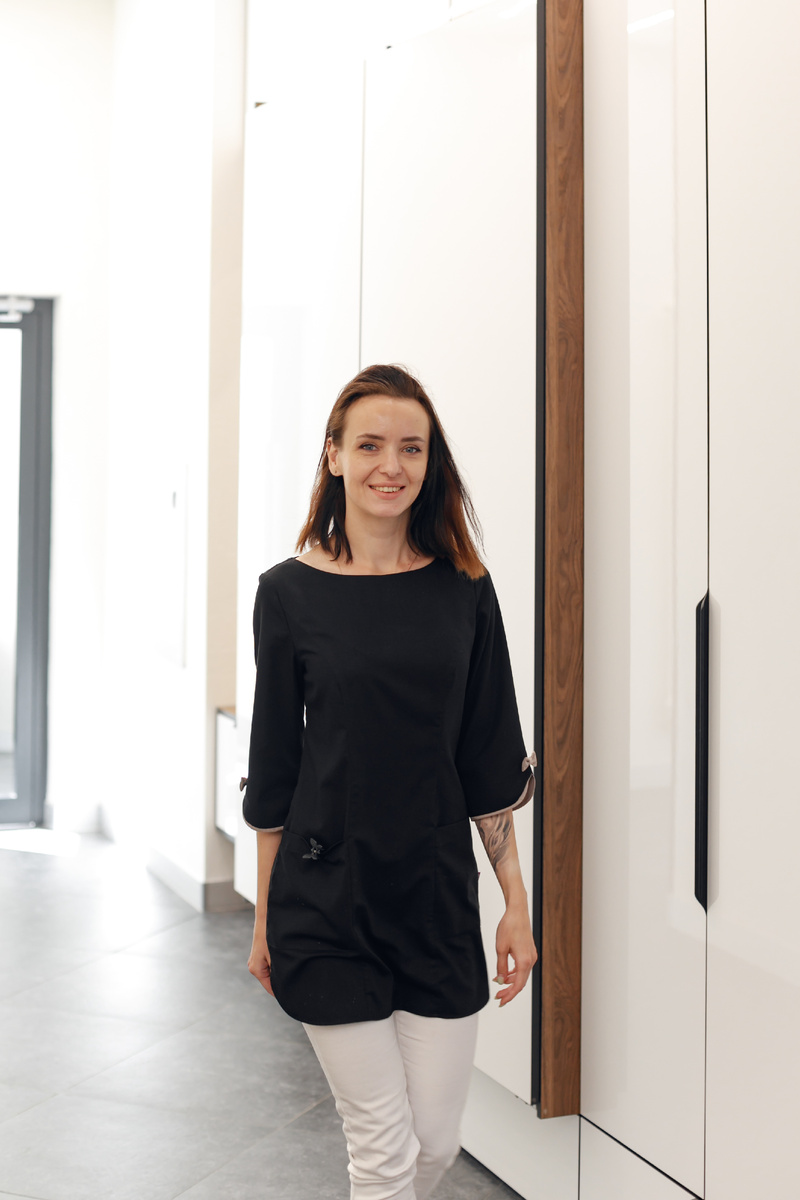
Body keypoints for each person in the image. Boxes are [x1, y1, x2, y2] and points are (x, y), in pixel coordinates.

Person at [243, 363, 538, 1200]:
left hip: (434, 894)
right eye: (370, 444)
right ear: (334, 455)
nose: (391, 465)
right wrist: (265, 920)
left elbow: (486, 756)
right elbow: (275, 769)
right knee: (381, 1149)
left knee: (433, 1144)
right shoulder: (287, 595)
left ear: (429, 462)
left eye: (412, 447)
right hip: (324, 899)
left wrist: (515, 902)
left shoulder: (465, 590)